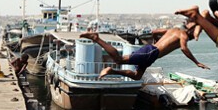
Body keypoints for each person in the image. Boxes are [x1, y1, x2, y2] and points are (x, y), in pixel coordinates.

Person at [81, 25, 209, 81]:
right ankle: (96, 38)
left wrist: (155, 41)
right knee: (119, 60)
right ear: (191, 31)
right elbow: (184, 48)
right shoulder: (183, 35)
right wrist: (196, 62)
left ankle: (112, 71)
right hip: (151, 53)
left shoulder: (173, 30)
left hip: (151, 53)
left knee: (137, 76)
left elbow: (154, 31)